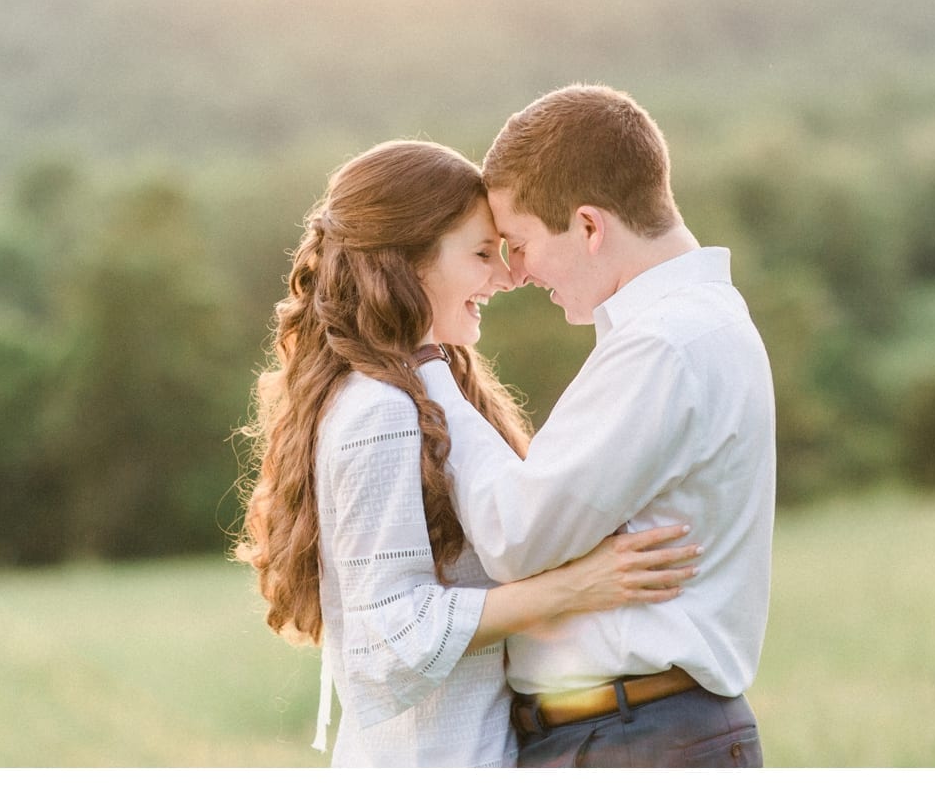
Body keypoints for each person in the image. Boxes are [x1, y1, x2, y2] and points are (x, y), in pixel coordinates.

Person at [235, 139, 701, 767]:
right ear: (407, 263)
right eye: (483, 254)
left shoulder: (415, 392)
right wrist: (575, 588)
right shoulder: (380, 410)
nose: (507, 276)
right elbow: (387, 641)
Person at [417, 84, 776, 767]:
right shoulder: (697, 324)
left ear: (588, 226)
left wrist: (428, 362)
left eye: (518, 244)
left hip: (636, 738)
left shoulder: (662, 345)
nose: (515, 273)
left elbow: (515, 534)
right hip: (637, 732)